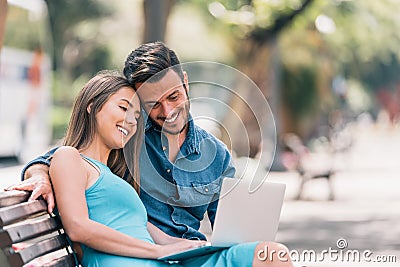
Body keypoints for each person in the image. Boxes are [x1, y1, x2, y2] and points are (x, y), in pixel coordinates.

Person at [9, 42, 293, 266]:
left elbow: (231, 230)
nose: (167, 113)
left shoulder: (215, 154)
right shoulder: (129, 139)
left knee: (271, 255)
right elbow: (64, 155)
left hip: (191, 255)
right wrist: (39, 175)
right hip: (142, 254)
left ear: (185, 81)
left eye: (173, 97)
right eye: (153, 104)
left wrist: (244, 237)